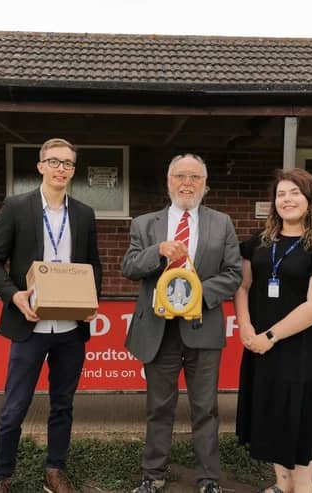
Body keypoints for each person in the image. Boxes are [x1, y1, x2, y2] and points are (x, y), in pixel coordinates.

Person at [0, 138, 102, 493]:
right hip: (29, 326)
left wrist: (89, 299)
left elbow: (93, 265)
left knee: (62, 405)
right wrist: (14, 295)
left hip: (70, 328)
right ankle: (2, 477)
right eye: (54, 162)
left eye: (67, 164)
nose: (60, 169)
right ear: (40, 166)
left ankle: (55, 470)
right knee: (15, 406)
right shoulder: (16, 207)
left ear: (73, 171)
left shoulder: (83, 213)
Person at [122, 153, 242, 493]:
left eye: (195, 177)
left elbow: (233, 273)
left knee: (205, 408)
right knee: (158, 407)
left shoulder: (223, 223)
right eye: (180, 176)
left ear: (205, 185)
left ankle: (208, 479)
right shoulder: (145, 224)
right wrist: (157, 251)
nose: (187, 183)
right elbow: (129, 267)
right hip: (159, 330)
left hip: (202, 325)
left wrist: (196, 295)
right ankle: (153, 475)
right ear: (168, 181)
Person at [235, 168, 312, 493]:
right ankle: (281, 484)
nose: (287, 200)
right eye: (281, 194)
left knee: (298, 418)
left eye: (295, 193)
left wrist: (269, 337)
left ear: (311, 200)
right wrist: (246, 328)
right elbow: (242, 285)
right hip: (261, 345)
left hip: (302, 351)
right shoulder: (260, 242)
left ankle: (303, 486)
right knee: (271, 412)